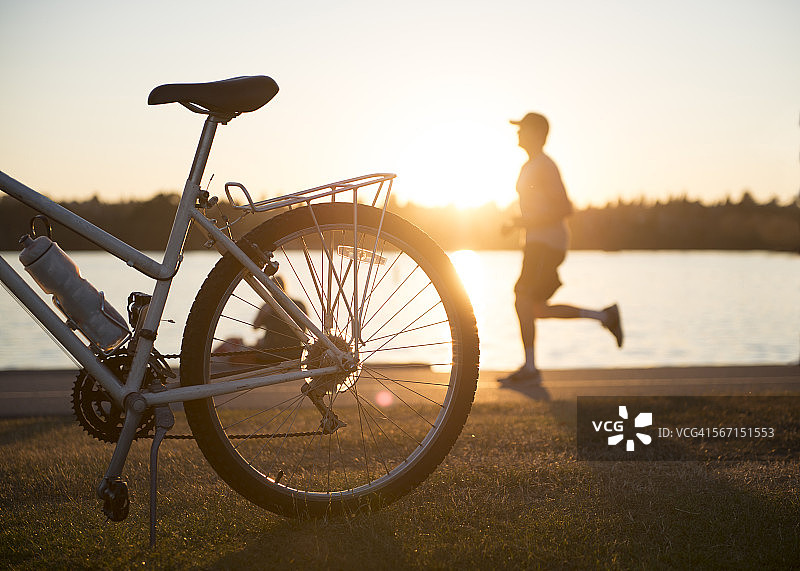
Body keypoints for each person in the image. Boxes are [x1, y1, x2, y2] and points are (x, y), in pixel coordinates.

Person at [500, 112, 623, 384]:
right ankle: (605, 315)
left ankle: (530, 368)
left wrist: (525, 223)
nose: (517, 133)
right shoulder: (529, 166)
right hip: (537, 243)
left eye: (522, 129)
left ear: (536, 134)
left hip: (547, 244)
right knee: (537, 309)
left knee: (521, 296)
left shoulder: (545, 165)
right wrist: (518, 224)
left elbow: (564, 207)